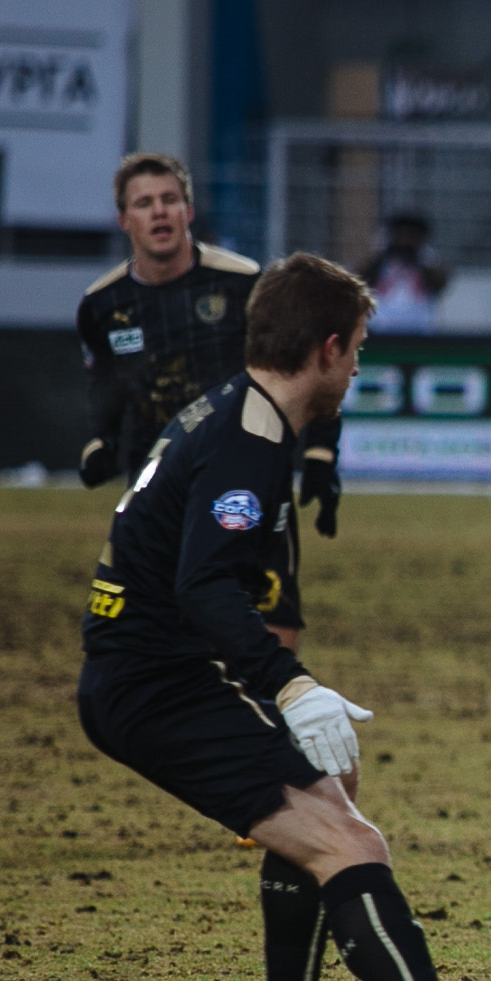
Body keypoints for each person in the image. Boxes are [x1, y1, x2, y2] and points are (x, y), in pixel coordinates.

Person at [76, 252, 491, 981]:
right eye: (361, 347)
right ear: (329, 348)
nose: (362, 365)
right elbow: (202, 584)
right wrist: (290, 685)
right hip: (152, 688)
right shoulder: (247, 442)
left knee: (335, 780)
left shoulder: (240, 413)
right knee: (352, 842)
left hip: (153, 673)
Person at [76, 151, 344, 656]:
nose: (160, 212)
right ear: (123, 219)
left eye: (170, 200)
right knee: (163, 625)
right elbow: (104, 388)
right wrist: (101, 440)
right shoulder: (101, 305)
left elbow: (308, 364)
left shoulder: (244, 283)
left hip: (248, 474)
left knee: (271, 615)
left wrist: (320, 452)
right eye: (145, 203)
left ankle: (271, 713)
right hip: (159, 484)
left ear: (188, 211)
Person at [356, 212, 449, 334]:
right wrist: (382, 255)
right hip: (381, 329)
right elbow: (359, 280)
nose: (405, 240)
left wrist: (418, 258)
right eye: (401, 234)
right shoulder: (381, 258)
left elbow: (440, 283)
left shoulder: (428, 258)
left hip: (418, 329)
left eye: (411, 235)